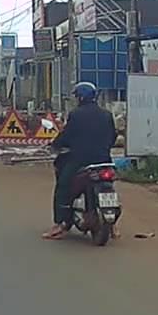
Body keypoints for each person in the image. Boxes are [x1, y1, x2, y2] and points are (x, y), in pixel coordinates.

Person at [44, 81, 117, 240]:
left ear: (81, 97)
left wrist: (55, 145)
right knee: (109, 184)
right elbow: (113, 136)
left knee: (63, 186)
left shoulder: (76, 115)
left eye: (77, 96)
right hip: (104, 160)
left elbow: (67, 136)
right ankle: (112, 226)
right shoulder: (106, 114)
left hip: (80, 160)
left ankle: (61, 223)